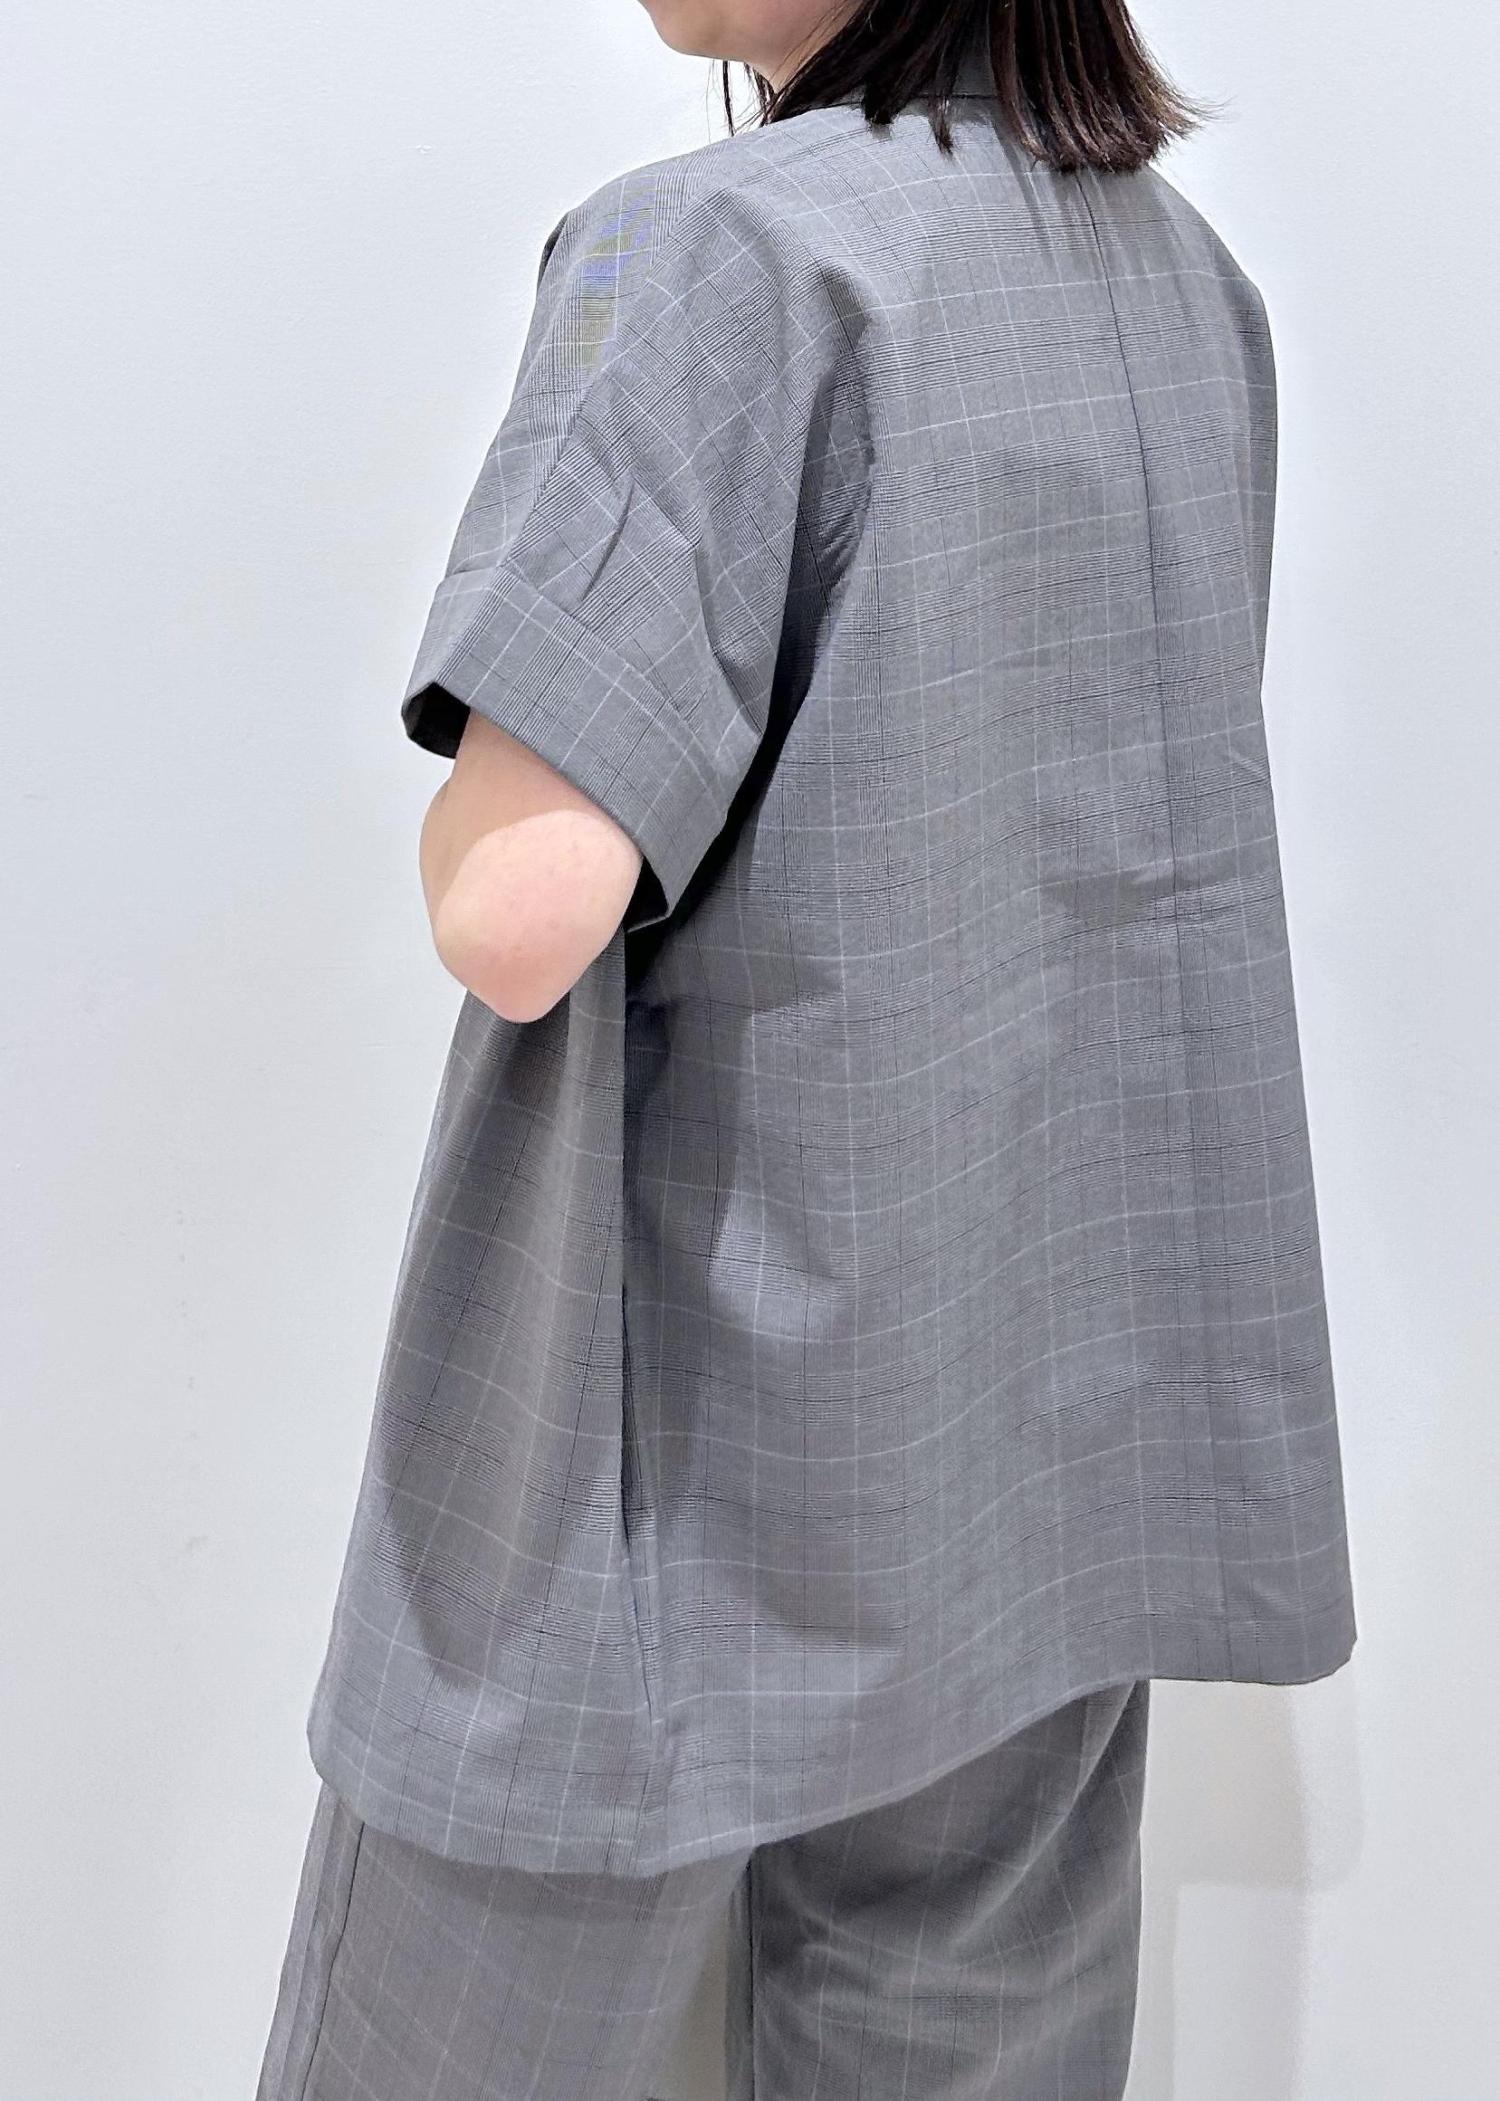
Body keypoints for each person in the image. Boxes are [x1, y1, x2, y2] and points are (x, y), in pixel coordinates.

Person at [257, 2, 1359, 2095]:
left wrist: (454, 811)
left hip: (671, 1457)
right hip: (1037, 1458)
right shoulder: (1183, 284)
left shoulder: (718, 252)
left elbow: (520, 914)